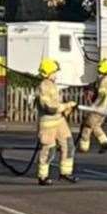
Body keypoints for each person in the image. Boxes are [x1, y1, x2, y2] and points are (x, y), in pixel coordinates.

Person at [36, 57, 77, 185]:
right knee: (49, 150)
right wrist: (66, 105)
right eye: (54, 72)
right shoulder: (43, 87)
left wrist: (67, 110)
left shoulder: (52, 85)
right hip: (48, 124)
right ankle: (43, 177)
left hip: (59, 121)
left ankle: (65, 173)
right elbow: (50, 108)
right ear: (48, 73)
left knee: (69, 145)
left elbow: (56, 105)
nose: (56, 75)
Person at [78, 58, 107, 154]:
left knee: (87, 126)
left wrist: (94, 105)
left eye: (99, 67)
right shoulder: (104, 78)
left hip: (99, 108)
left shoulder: (105, 79)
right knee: (96, 126)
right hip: (104, 108)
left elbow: (102, 94)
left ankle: (83, 147)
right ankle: (105, 143)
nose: (97, 68)